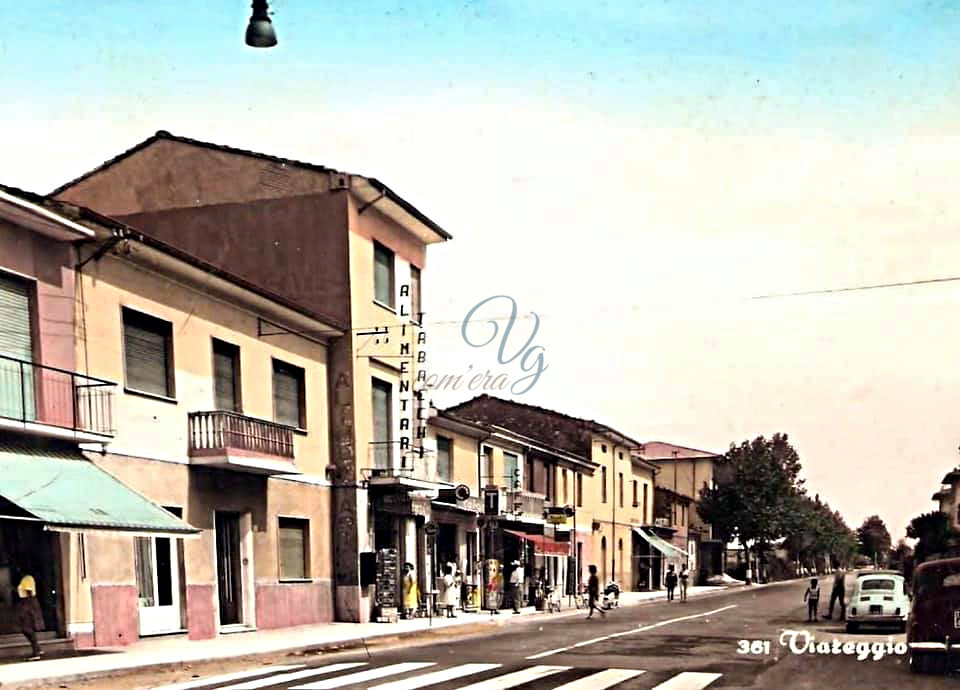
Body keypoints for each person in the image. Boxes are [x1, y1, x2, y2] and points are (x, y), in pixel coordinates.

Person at [15, 572, 44, 660]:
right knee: (26, 628)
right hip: (27, 602)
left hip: (28, 602)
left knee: (27, 628)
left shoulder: (27, 578)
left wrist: (29, 608)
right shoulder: (24, 580)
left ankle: (36, 651)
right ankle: (37, 649)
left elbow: (29, 590)